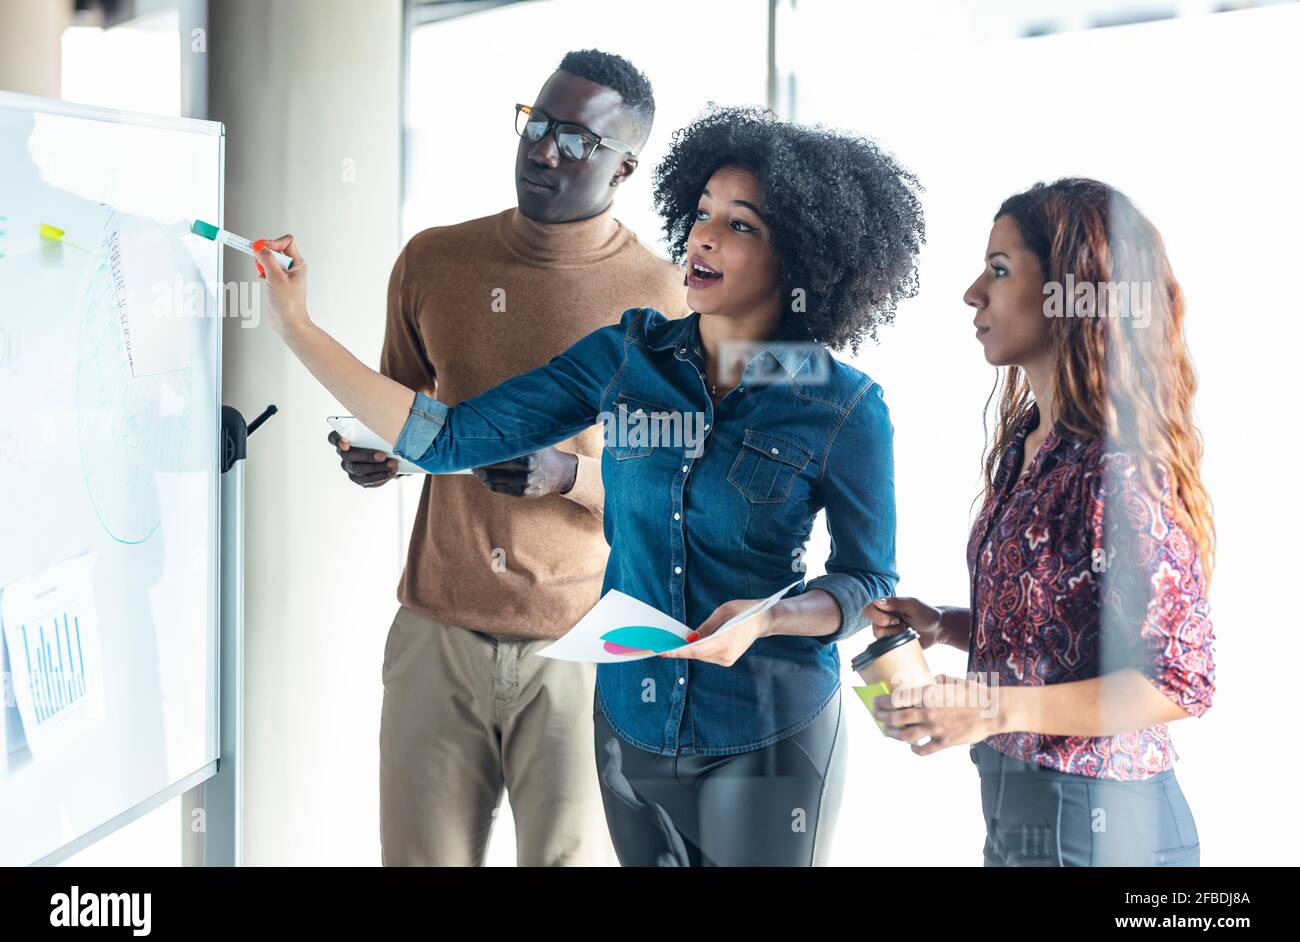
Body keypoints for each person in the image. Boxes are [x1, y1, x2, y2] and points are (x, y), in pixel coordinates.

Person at [254, 105, 925, 866]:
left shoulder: (843, 405)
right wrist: (296, 327)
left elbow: (867, 581)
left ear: (803, 257)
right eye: (702, 214)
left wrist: (767, 622)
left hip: (766, 731)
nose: (703, 236)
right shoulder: (626, 356)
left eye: (740, 225)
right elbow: (446, 437)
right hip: (631, 722)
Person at [328, 49, 687, 866]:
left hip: (584, 645)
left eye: (576, 139)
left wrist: (570, 475)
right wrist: (383, 456)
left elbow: (678, 491)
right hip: (436, 632)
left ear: (625, 166)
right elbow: (409, 414)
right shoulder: (434, 261)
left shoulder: (664, 297)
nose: (543, 149)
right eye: (538, 122)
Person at [866, 178, 1216, 866]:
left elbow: (1179, 679)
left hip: (1101, 821)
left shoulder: (1116, 471)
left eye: (999, 270)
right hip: (1024, 809)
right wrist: (945, 624)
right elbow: (1063, 638)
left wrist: (993, 709)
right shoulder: (1028, 446)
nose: (974, 292)